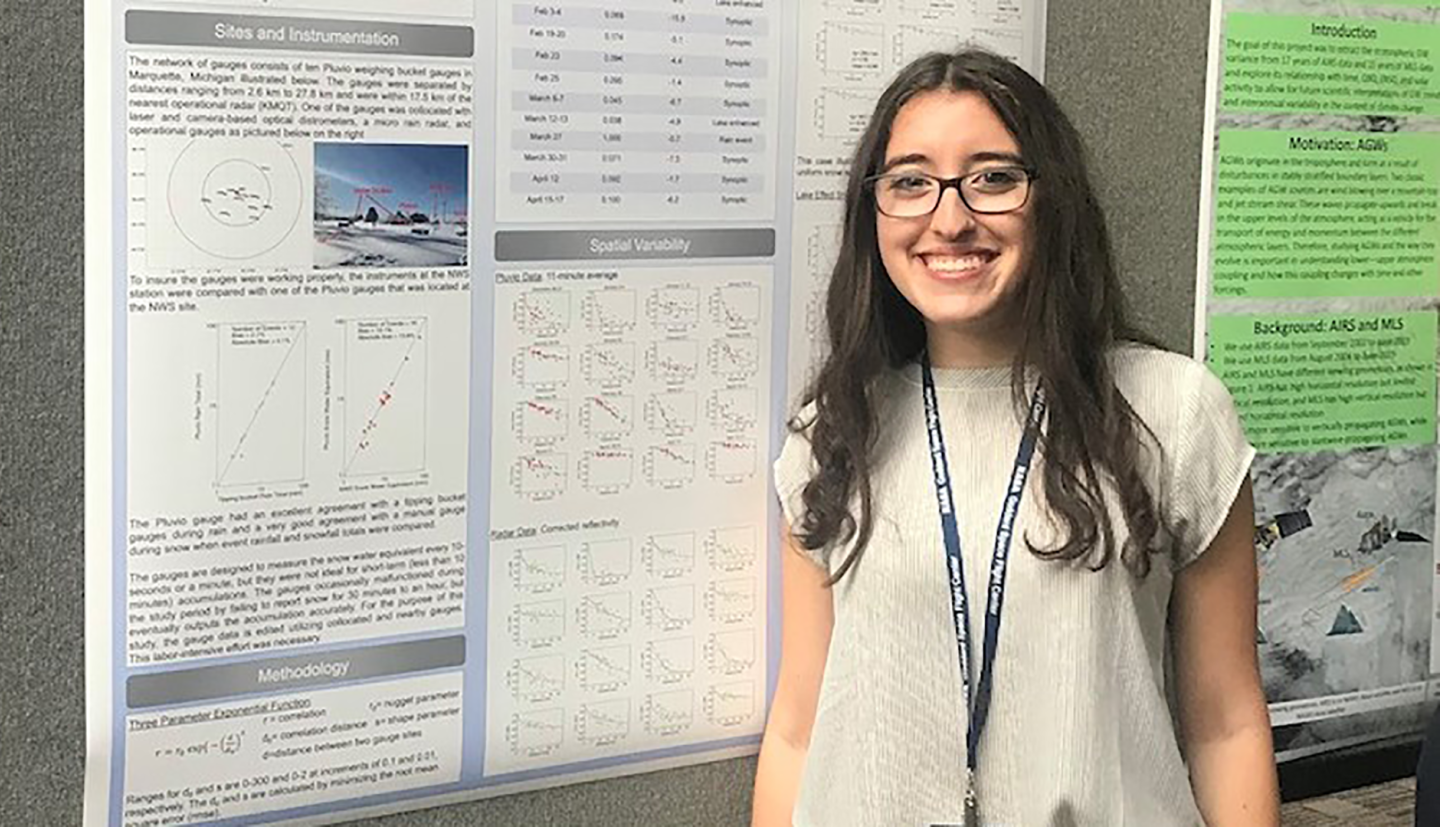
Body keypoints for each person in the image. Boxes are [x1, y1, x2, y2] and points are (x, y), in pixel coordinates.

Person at [752, 50, 1279, 826]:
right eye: (910, 181)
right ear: (876, 213)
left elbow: (1226, 721)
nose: (951, 216)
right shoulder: (835, 430)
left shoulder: (1171, 411)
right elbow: (798, 727)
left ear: (1051, 199)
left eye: (993, 176)